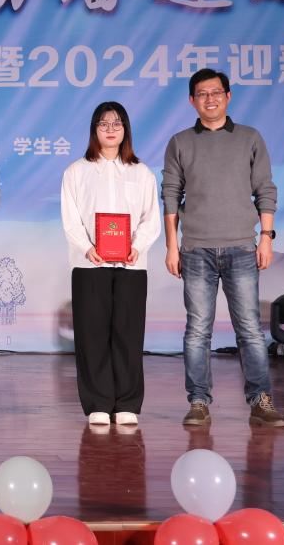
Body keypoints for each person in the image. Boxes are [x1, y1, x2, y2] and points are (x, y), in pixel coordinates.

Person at [163, 68, 284, 428]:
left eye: (216, 92)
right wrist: (172, 247)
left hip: (241, 247)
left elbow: (265, 189)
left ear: (228, 96)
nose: (210, 99)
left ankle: (261, 400)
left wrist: (266, 237)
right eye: (202, 94)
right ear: (192, 100)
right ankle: (198, 401)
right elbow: (170, 196)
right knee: (197, 330)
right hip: (196, 250)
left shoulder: (250, 138)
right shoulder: (180, 142)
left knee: (249, 329)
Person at [60, 101, 160, 426]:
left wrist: (137, 246)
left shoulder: (141, 173)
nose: (110, 129)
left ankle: (127, 402)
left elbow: (151, 219)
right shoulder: (76, 172)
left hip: (132, 265)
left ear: (126, 129)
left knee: (128, 333)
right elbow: (71, 219)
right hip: (89, 264)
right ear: (94, 130)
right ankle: (98, 403)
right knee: (92, 335)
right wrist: (87, 247)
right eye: (104, 124)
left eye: (117, 123)